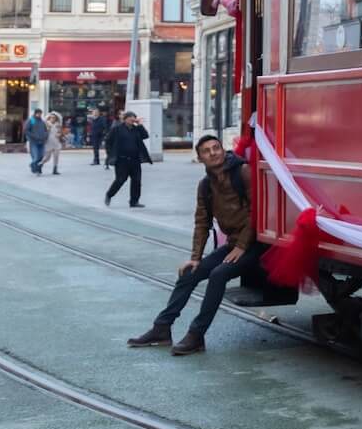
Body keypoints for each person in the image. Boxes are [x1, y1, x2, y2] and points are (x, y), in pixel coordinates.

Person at [128, 133, 263, 355]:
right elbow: (202, 223)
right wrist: (195, 257)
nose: (213, 153)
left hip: (255, 242)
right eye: (207, 151)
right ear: (200, 158)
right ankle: (162, 328)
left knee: (219, 274)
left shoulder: (243, 172)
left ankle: (197, 335)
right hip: (233, 244)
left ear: (222, 149)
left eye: (216, 148)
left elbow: (256, 211)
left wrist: (241, 246)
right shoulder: (205, 185)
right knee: (190, 273)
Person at [102, 110, 151, 207]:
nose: (132, 120)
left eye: (133, 118)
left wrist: (140, 125)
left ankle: (134, 201)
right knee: (120, 180)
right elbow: (108, 141)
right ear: (125, 119)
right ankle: (109, 194)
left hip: (135, 159)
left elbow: (145, 136)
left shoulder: (136, 129)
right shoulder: (117, 129)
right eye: (130, 118)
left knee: (136, 181)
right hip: (121, 160)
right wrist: (111, 154)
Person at [26, 110, 51, 176]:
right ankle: (36, 169)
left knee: (41, 156)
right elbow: (26, 130)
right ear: (35, 113)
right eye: (38, 113)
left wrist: (45, 136)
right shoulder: (31, 120)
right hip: (34, 142)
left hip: (42, 142)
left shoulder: (42, 122)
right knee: (36, 156)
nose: (39, 115)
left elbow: (45, 130)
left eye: (40, 114)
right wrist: (33, 137)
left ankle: (34, 166)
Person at [44, 111, 66, 175]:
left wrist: (60, 134)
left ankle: (55, 169)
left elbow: (61, 133)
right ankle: (40, 165)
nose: (52, 119)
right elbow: (43, 133)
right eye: (51, 117)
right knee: (47, 158)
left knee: (56, 157)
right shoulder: (46, 124)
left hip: (56, 143)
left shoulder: (58, 124)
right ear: (49, 118)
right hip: (48, 143)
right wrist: (47, 130)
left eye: (54, 117)